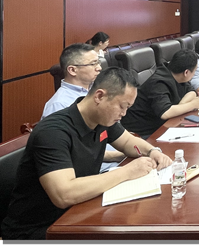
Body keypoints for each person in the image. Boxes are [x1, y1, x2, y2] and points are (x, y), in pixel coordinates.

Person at [1, 68, 172, 240]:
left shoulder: (102, 119)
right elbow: (64, 194)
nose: (123, 114)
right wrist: (127, 172)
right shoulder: (53, 132)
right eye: (122, 106)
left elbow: (129, 142)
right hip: (37, 230)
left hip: (79, 212)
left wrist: (152, 151)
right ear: (99, 96)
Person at [42, 43, 123, 170]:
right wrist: (120, 155)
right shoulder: (59, 104)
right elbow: (73, 154)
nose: (99, 68)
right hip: (98, 171)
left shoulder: (95, 92)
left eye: (98, 63)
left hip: (116, 158)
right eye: (93, 64)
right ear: (72, 70)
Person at [120, 49, 199, 138]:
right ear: (186, 72)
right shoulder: (159, 82)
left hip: (160, 124)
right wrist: (193, 105)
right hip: (143, 131)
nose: (194, 74)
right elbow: (165, 112)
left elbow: (192, 91)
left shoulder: (176, 74)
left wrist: (181, 105)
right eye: (194, 71)